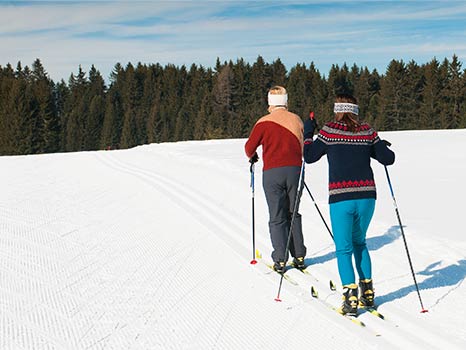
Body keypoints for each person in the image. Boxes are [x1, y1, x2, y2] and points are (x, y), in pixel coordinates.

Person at [303, 93, 395, 316]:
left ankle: (351, 298)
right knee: (359, 243)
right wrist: (379, 143)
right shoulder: (367, 131)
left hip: (341, 198)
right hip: (367, 197)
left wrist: (308, 133)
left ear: (337, 110)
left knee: (343, 248)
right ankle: (368, 293)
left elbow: (309, 156)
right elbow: (388, 158)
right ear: (355, 111)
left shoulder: (329, 131)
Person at [245, 85, 307, 274]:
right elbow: (302, 144)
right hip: (295, 171)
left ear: (270, 102)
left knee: (277, 215)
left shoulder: (263, 122)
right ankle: (299, 255)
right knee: (293, 212)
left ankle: (280, 258)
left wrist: (254, 156)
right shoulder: (296, 119)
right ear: (286, 101)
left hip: (272, 172)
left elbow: (249, 147)